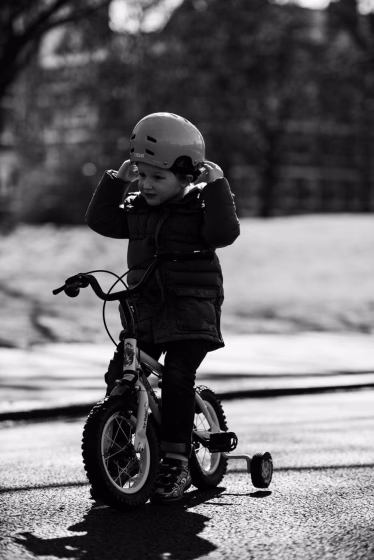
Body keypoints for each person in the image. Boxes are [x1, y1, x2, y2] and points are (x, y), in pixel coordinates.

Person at [86, 112, 240, 503]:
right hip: (146, 310)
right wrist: (116, 181)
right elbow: (101, 220)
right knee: (121, 372)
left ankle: (176, 461)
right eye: (142, 174)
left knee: (176, 377)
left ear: (187, 176)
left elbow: (225, 233)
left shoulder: (198, 210)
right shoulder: (137, 209)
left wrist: (218, 185)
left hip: (192, 309)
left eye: (158, 177)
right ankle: (120, 457)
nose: (147, 184)